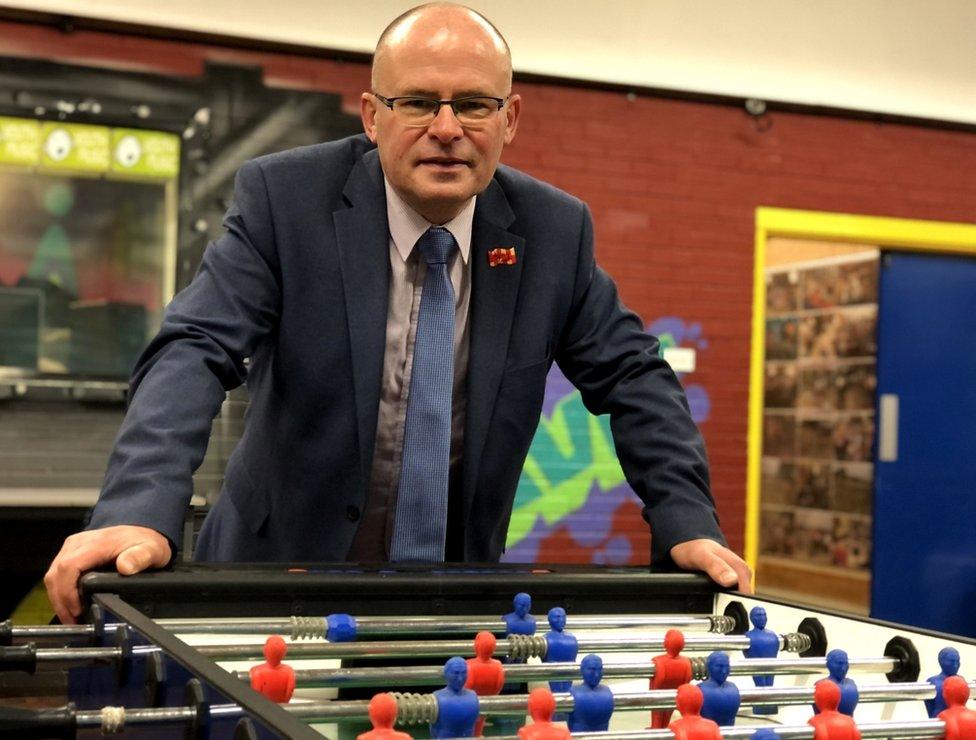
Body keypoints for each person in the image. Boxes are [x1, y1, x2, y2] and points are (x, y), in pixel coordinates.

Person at [44, 2, 752, 624]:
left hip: (452, 597)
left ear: (511, 119)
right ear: (372, 115)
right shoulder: (286, 201)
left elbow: (635, 375)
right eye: (417, 103)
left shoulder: (554, 233)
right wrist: (138, 509)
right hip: (271, 580)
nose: (446, 128)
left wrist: (687, 521)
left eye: (473, 105)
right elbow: (194, 347)